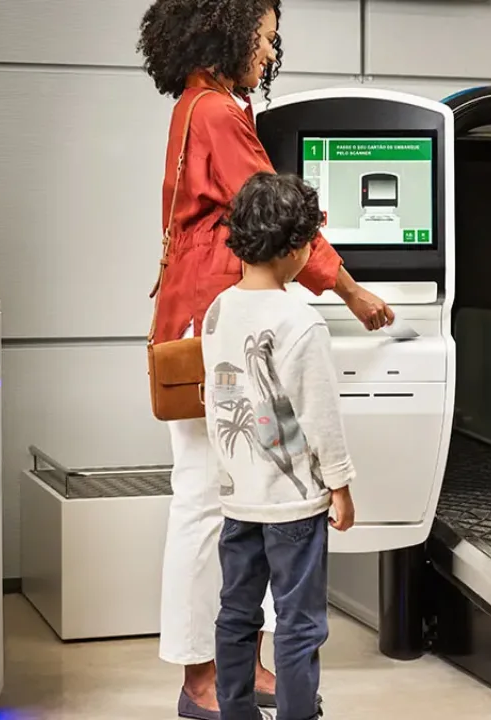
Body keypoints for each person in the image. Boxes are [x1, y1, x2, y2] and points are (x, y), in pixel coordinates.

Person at [136, 1, 392, 717]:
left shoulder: (200, 104)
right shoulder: (216, 111)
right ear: (232, 30)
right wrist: (351, 290)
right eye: (267, 36)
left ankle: (232, 665)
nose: (271, 50)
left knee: (232, 496)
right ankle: (201, 677)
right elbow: (273, 214)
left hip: (200, 317)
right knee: (206, 502)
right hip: (214, 329)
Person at [204, 171, 354, 720]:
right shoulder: (300, 322)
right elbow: (321, 418)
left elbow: (218, 404)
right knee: (299, 622)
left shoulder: (217, 311)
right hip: (292, 504)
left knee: (236, 612)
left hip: (238, 499)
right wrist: (339, 486)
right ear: (296, 250)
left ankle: (235, 711)